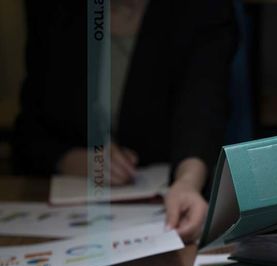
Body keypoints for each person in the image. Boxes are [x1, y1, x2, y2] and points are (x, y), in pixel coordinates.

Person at [12, 0, 237, 242]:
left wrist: (188, 181)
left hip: (161, 202)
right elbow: (29, 131)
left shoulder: (202, 10)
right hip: (60, 211)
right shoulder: (53, 11)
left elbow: (202, 110)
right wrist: (73, 160)